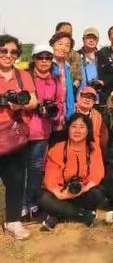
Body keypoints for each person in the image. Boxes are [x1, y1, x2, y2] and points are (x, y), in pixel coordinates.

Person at [39, 113, 105, 231]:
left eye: (82, 127)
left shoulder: (93, 148)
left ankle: (58, 215)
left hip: (84, 191)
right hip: (62, 192)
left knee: (98, 194)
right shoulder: (57, 148)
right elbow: (50, 177)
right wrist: (61, 193)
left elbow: (97, 173)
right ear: (68, 128)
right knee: (43, 198)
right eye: (74, 126)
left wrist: (83, 189)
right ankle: (84, 216)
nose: (77, 131)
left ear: (87, 131)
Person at [0, 35, 38, 240]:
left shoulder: (23, 76)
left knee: (15, 181)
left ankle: (13, 221)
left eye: (13, 52)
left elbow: (33, 101)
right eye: (3, 50)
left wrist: (19, 104)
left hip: (15, 136)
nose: (8, 55)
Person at [23, 45, 63, 220]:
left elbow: (59, 105)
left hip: (42, 132)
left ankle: (32, 203)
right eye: (40, 57)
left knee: (36, 169)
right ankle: (21, 205)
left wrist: (52, 113)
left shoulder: (55, 80)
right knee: (20, 171)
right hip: (22, 131)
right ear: (34, 59)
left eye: (48, 57)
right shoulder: (24, 78)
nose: (44, 61)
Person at [49, 32, 76, 130]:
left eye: (67, 45)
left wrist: (70, 112)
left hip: (64, 113)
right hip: (49, 114)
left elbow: (68, 93)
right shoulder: (47, 64)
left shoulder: (67, 66)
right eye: (60, 44)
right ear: (52, 45)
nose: (63, 48)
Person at [75, 86, 109, 156]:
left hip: (93, 150)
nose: (88, 100)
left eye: (91, 98)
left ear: (94, 102)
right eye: (85, 96)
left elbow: (103, 136)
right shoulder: (70, 110)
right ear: (79, 96)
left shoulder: (97, 115)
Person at [55, 22, 82, 90]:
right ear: (56, 32)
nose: (67, 34)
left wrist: (72, 89)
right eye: (64, 31)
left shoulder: (76, 55)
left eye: (70, 33)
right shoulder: (47, 52)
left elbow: (78, 77)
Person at [78, 27, 102, 93]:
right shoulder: (75, 56)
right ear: (83, 39)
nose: (91, 40)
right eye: (88, 37)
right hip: (80, 97)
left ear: (97, 41)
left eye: (94, 38)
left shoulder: (103, 56)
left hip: (99, 97)